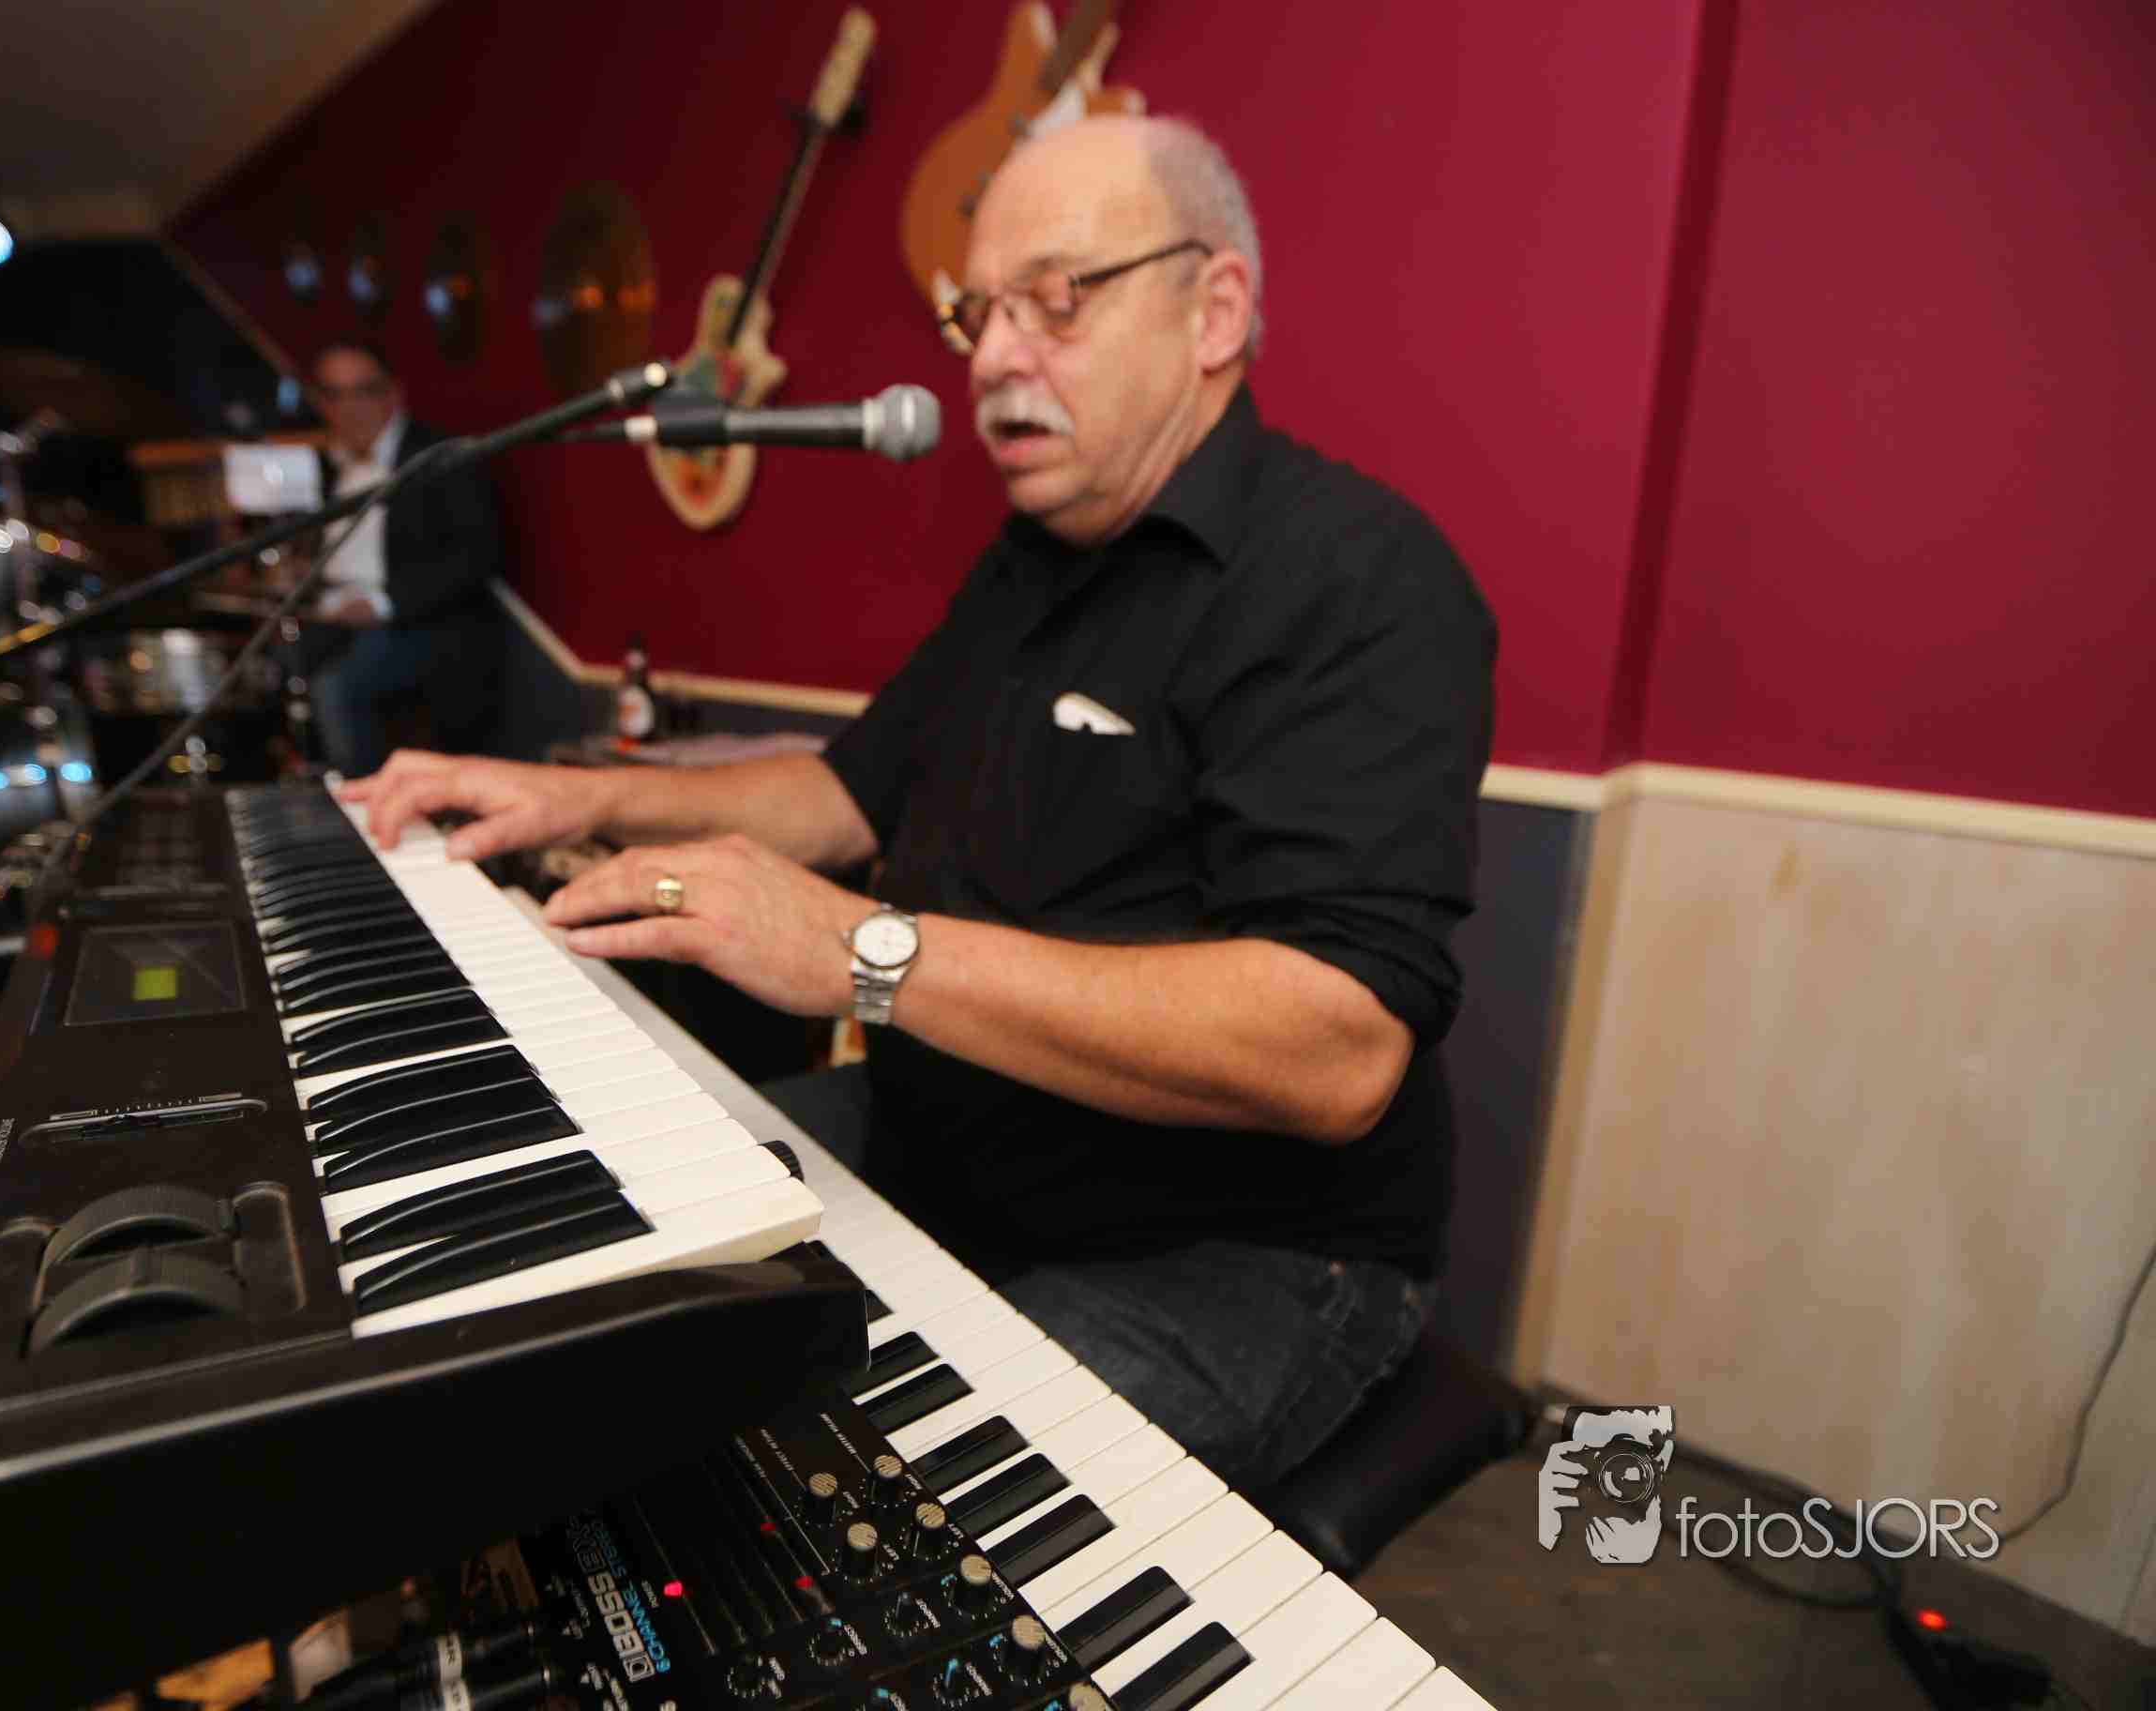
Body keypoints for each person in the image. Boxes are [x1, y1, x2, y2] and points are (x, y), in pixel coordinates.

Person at [340, 115, 1497, 1514]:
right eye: (977, 313)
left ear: (1214, 312)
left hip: (1233, 1250)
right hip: (945, 1140)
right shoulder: (1031, 560)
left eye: (1056, 300)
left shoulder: (1357, 576)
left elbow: (1336, 1047)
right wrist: (570, 794)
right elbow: (844, 792)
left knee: (832, 1510)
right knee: (601, 1264)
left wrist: (861, 953)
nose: (994, 356)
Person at [302, 341, 508, 777]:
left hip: (422, 624)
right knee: (270, 670)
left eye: (363, 391)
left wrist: (381, 604)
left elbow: (477, 557)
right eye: (335, 395)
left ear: (393, 393)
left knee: (338, 685)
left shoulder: (439, 456)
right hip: (334, 620)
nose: (349, 408)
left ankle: (364, 801)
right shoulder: (329, 466)